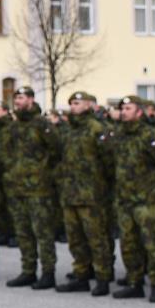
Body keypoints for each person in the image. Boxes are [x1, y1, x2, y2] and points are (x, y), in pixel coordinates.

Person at [107, 96, 155, 302]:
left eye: (128, 108)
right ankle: (135, 282)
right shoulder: (118, 136)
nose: (124, 112)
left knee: (153, 244)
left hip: (147, 200)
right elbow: (110, 163)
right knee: (128, 243)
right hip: (125, 199)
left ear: (139, 112)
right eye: (122, 108)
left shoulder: (149, 135)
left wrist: (151, 186)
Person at [54, 91, 113, 296]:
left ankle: (103, 276)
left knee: (96, 238)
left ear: (89, 105)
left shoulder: (97, 129)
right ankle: (81, 274)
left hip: (91, 193)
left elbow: (109, 161)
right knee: (75, 238)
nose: (73, 107)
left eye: (77, 103)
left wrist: (101, 185)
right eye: (71, 104)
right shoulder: (68, 130)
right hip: (70, 192)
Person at [0, 86, 58, 288]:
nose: (17, 101)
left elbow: (56, 150)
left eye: (21, 97)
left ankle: (48, 272)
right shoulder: (13, 126)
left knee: (42, 232)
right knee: (23, 232)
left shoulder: (41, 124)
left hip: (38, 188)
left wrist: (44, 173)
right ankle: (28, 270)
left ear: (31, 100)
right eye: (15, 98)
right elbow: (5, 153)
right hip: (17, 187)